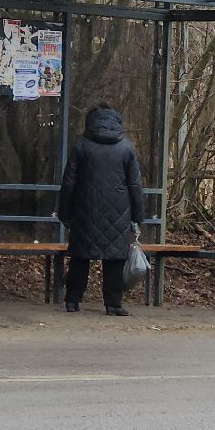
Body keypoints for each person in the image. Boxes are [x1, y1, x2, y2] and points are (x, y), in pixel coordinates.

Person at [57, 103, 146, 316]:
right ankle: (113, 304)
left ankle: (72, 300)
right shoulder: (126, 147)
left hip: (84, 208)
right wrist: (137, 215)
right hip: (118, 212)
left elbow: (69, 181)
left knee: (80, 256)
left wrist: (65, 212)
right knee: (114, 258)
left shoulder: (81, 145)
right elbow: (135, 184)